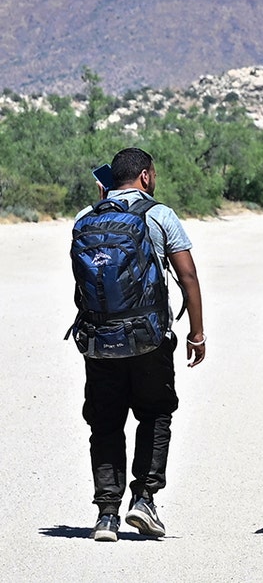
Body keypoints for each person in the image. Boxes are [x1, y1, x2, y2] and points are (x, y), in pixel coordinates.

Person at [73, 147, 206, 542]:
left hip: (99, 340)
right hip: (149, 339)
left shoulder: (85, 218)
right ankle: (144, 500)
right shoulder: (159, 215)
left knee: (105, 422)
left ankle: (107, 515)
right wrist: (197, 333)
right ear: (145, 176)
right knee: (156, 413)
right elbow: (188, 277)